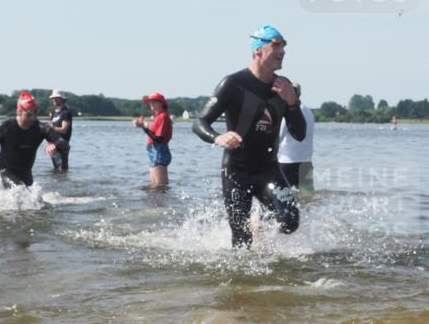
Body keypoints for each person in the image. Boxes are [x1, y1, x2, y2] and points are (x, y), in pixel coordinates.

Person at [193, 25, 306, 248]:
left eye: (283, 47)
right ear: (258, 50)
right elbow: (200, 123)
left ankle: (265, 244)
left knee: (290, 221)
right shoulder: (233, 84)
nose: (282, 51)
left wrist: (293, 103)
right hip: (237, 171)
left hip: (269, 170)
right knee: (242, 239)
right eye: (276, 46)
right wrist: (218, 137)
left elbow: (299, 134)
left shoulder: (283, 87)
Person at [0, 92, 68, 187]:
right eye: (28, 114)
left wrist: (55, 145)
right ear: (19, 112)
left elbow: (64, 144)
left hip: (26, 175)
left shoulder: (41, 128)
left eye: (35, 113)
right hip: (4, 173)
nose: (32, 118)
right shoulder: (6, 127)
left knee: (40, 205)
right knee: (20, 193)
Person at [278, 84, 315, 192]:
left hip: (288, 163)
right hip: (306, 163)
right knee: (307, 198)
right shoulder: (309, 111)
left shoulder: (289, 112)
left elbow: (279, 137)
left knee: (283, 197)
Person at [134, 93, 173, 188]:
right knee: (154, 186)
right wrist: (143, 126)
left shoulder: (163, 116)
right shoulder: (158, 117)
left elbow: (159, 139)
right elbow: (155, 137)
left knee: (159, 186)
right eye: (150, 102)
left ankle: (161, 202)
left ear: (161, 103)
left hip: (159, 151)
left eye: (153, 102)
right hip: (154, 151)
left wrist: (145, 128)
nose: (150, 104)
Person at [47, 90, 73, 172]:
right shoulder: (56, 113)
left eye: (56, 98)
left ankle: (63, 184)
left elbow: (63, 130)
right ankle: (60, 184)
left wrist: (50, 127)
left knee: (61, 169)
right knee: (57, 170)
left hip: (62, 144)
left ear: (62, 99)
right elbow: (55, 126)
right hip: (54, 145)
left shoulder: (65, 112)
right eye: (53, 98)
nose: (53, 100)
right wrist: (51, 119)